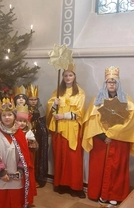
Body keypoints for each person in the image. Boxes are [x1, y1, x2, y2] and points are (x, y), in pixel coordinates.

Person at [82, 66, 134, 206]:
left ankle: (115, 194)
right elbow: (92, 120)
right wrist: (103, 136)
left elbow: (130, 122)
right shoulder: (97, 100)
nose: (111, 84)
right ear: (105, 84)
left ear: (118, 84)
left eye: (114, 82)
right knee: (100, 168)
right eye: (109, 82)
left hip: (119, 140)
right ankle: (100, 193)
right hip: (101, 140)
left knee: (117, 168)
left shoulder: (127, 101)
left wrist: (113, 134)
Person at [46, 64, 86, 198]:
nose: (68, 78)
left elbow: (80, 112)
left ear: (74, 76)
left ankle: (76, 187)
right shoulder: (58, 91)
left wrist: (64, 115)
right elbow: (50, 111)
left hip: (72, 129)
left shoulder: (80, 93)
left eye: (70, 75)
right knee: (60, 156)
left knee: (73, 159)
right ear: (62, 77)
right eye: (65, 75)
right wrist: (53, 105)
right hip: (59, 129)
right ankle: (60, 184)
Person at [0, 98, 31, 208]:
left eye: (10, 115)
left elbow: (24, 156)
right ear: (0, 117)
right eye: (4, 115)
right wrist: (1, 172)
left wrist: (20, 170)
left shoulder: (20, 134)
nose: (7, 117)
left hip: (15, 176)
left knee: (14, 203)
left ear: (14, 116)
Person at [26, 84, 49, 188]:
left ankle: (38, 177)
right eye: (31, 99)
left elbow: (43, 123)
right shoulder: (24, 109)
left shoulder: (40, 109)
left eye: (35, 99)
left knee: (37, 157)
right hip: (28, 137)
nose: (33, 101)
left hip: (38, 137)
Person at [15, 104, 38, 206]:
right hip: (16, 160)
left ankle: (27, 200)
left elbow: (34, 146)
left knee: (27, 179)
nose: (22, 123)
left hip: (27, 160)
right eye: (20, 121)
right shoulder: (13, 132)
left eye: (24, 121)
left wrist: (32, 144)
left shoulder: (29, 133)